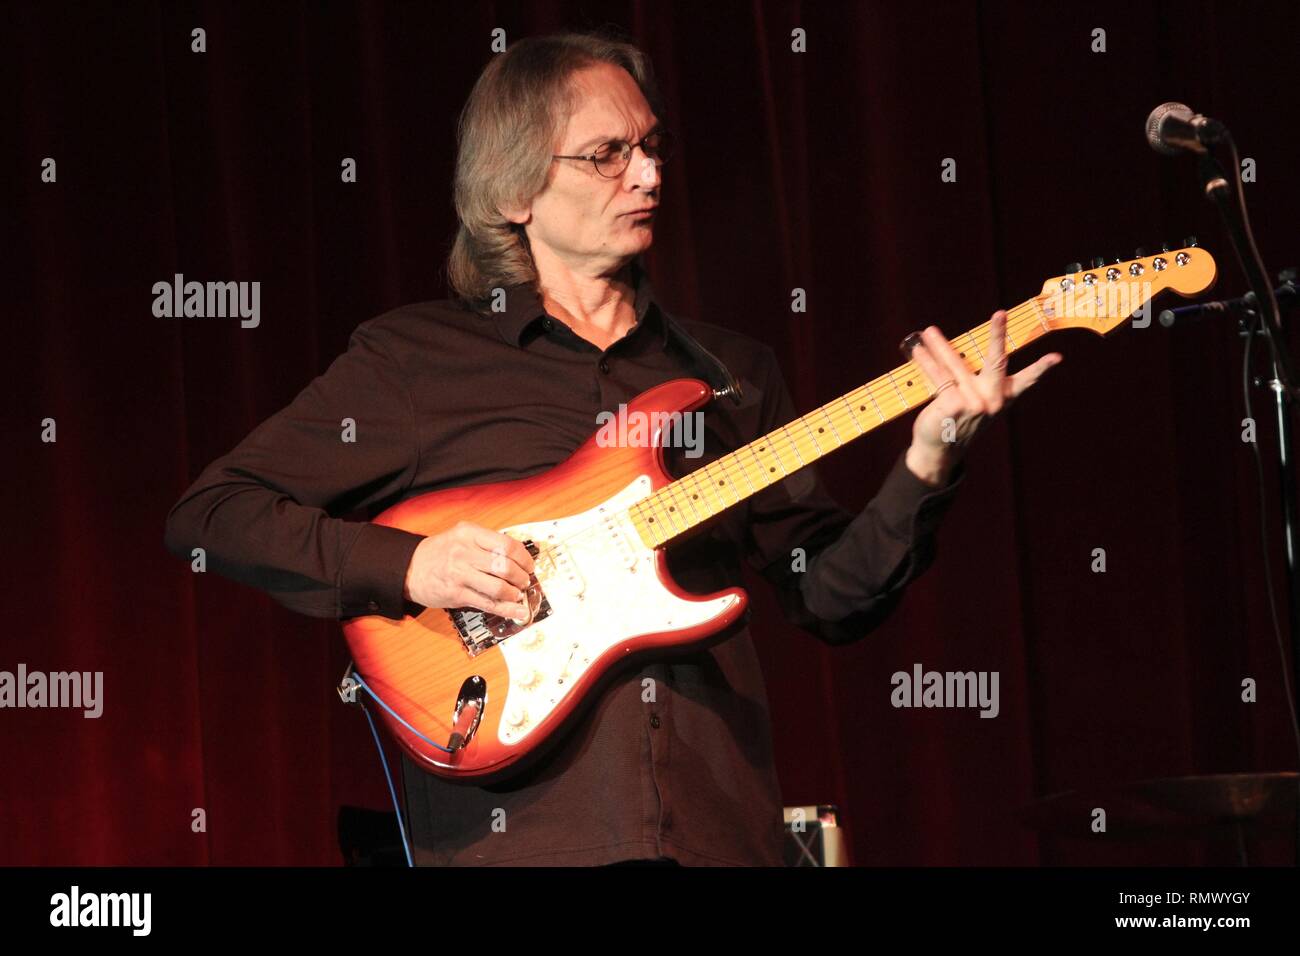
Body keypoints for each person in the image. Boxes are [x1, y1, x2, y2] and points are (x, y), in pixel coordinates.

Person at [164, 31, 1060, 867]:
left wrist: (929, 462)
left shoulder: (729, 373)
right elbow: (213, 514)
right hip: (520, 844)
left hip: (717, 834)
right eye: (608, 155)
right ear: (514, 191)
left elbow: (827, 596)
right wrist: (413, 567)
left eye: (653, 147)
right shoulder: (414, 360)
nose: (649, 174)